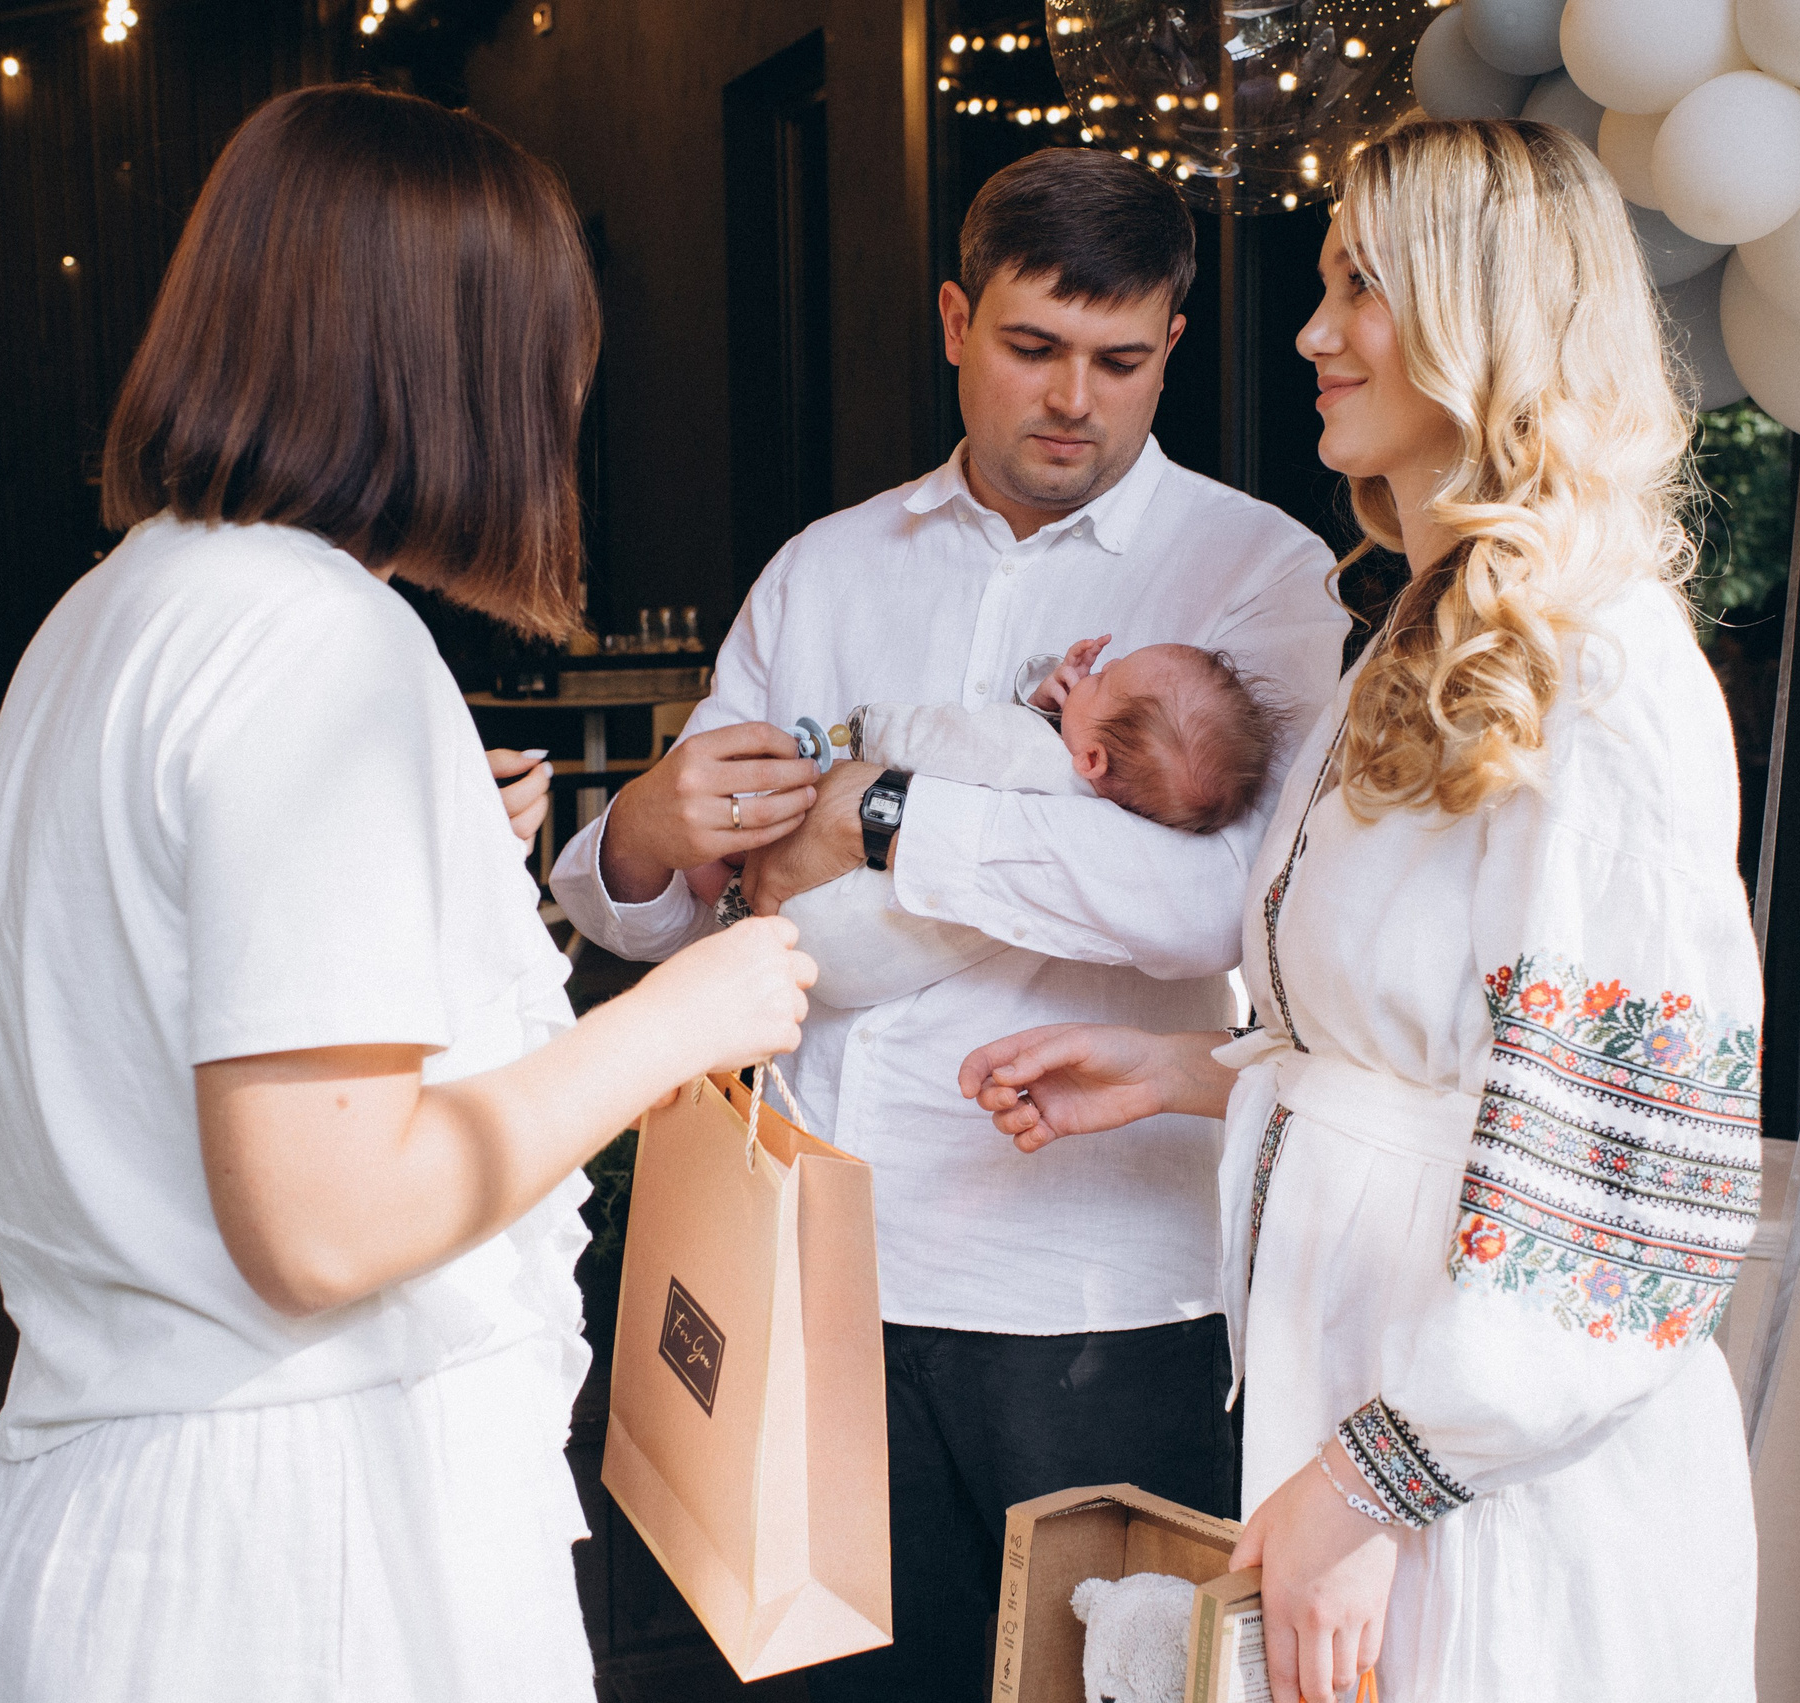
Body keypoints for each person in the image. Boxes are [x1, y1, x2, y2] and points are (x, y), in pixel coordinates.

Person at [0, 87, 814, 1703]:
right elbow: (325, 1215)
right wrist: (679, 1017)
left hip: (116, 1523)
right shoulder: (313, 639)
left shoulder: (105, 614)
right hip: (300, 1549)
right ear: (452, 361)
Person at [962, 116, 1762, 1703]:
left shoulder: (1603, 668)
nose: (1312, 334)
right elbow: (1419, 1051)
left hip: (1483, 1476)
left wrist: (1380, 1477)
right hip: (1362, 1413)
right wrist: (1192, 1071)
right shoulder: (1411, 635)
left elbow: (1636, 1183)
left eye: (1362, 287)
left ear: (1488, 320)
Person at [553, 147, 1349, 1699]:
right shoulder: (827, 568)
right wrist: (641, 834)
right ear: (952, 321)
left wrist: (888, 816)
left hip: (1101, 1295)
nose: (1075, 400)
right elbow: (683, 918)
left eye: (1121, 359)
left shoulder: (1262, 577)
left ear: (1174, 344)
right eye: (1033, 346)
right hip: (815, 1269)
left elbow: (1223, 901)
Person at [723, 637, 1288, 1009]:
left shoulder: (1029, 751)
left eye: (1101, 681)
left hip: (825, 908)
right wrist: (1056, 708)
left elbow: (946, 740)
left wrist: (869, 728)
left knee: (757, 836)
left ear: (1092, 760)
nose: (1093, 672)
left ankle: (721, 880)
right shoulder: (1111, 823)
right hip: (859, 971)